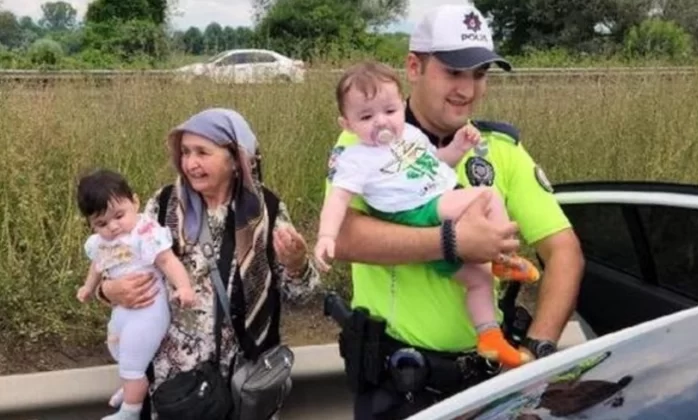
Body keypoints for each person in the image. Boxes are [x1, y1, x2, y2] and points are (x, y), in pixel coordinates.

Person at [323, 4, 584, 419]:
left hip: (490, 381)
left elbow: (565, 252)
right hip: (398, 384)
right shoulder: (365, 139)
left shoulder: (500, 149)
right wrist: (450, 242)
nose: (468, 88)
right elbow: (342, 237)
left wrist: (538, 353)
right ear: (414, 66)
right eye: (453, 71)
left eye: (479, 74)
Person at [93, 107, 321, 420]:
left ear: (236, 158)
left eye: (203, 152)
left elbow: (303, 297)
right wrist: (108, 290)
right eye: (185, 152)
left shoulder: (265, 210)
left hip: (243, 384)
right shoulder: (162, 206)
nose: (190, 163)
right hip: (175, 391)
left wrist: (296, 265)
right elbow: (116, 261)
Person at [315, 60, 540, 368]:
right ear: (347, 124)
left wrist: (458, 148)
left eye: (390, 111)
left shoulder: (408, 135)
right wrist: (326, 236)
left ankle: (490, 338)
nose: (382, 122)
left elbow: (435, 163)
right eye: (366, 116)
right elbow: (338, 199)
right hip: (418, 212)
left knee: (478, 280)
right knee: (486, 196)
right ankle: (504, 258)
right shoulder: (355, 157)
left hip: (435, 206)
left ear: (400, 105)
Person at [75, 168, 197, 420]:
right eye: (101, 223)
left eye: (119, 215)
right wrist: (89, 288)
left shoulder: (145, 233)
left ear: (136, 202)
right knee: (116, 344)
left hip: (148, 309)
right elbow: (98, 265)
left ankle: (130, 410)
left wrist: (183, 287)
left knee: (133, 356)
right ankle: (131, 386)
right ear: (91, 224)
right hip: (122, 310)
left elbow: (167, 261)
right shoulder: (101, 242)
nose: (113, 226)